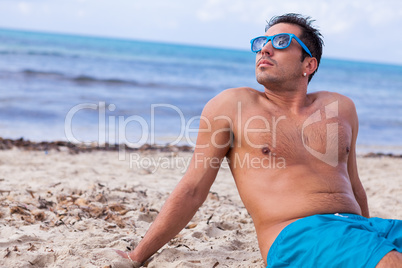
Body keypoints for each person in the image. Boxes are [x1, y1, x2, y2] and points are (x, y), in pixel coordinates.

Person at [115, 13, 402, 267]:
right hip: (297, 236)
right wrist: (138, 255)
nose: (264, 48)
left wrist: (368, 233)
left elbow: (353, 184)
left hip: (363, 230)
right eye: (261, 43)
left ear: (309, 64)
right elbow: (193, 189)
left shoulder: (340, 107)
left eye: (280, 42)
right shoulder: (233, 106)